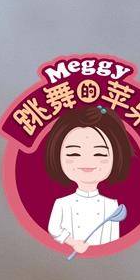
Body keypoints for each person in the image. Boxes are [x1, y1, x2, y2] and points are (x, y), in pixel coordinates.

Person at [43, 104, 131, 253]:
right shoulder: (62, 203)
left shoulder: (111, 206)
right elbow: (54, 229)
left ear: (117, 157)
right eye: (74, 154)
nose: (87, 163)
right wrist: (72, 243)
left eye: (99, 154)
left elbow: (113, 241)